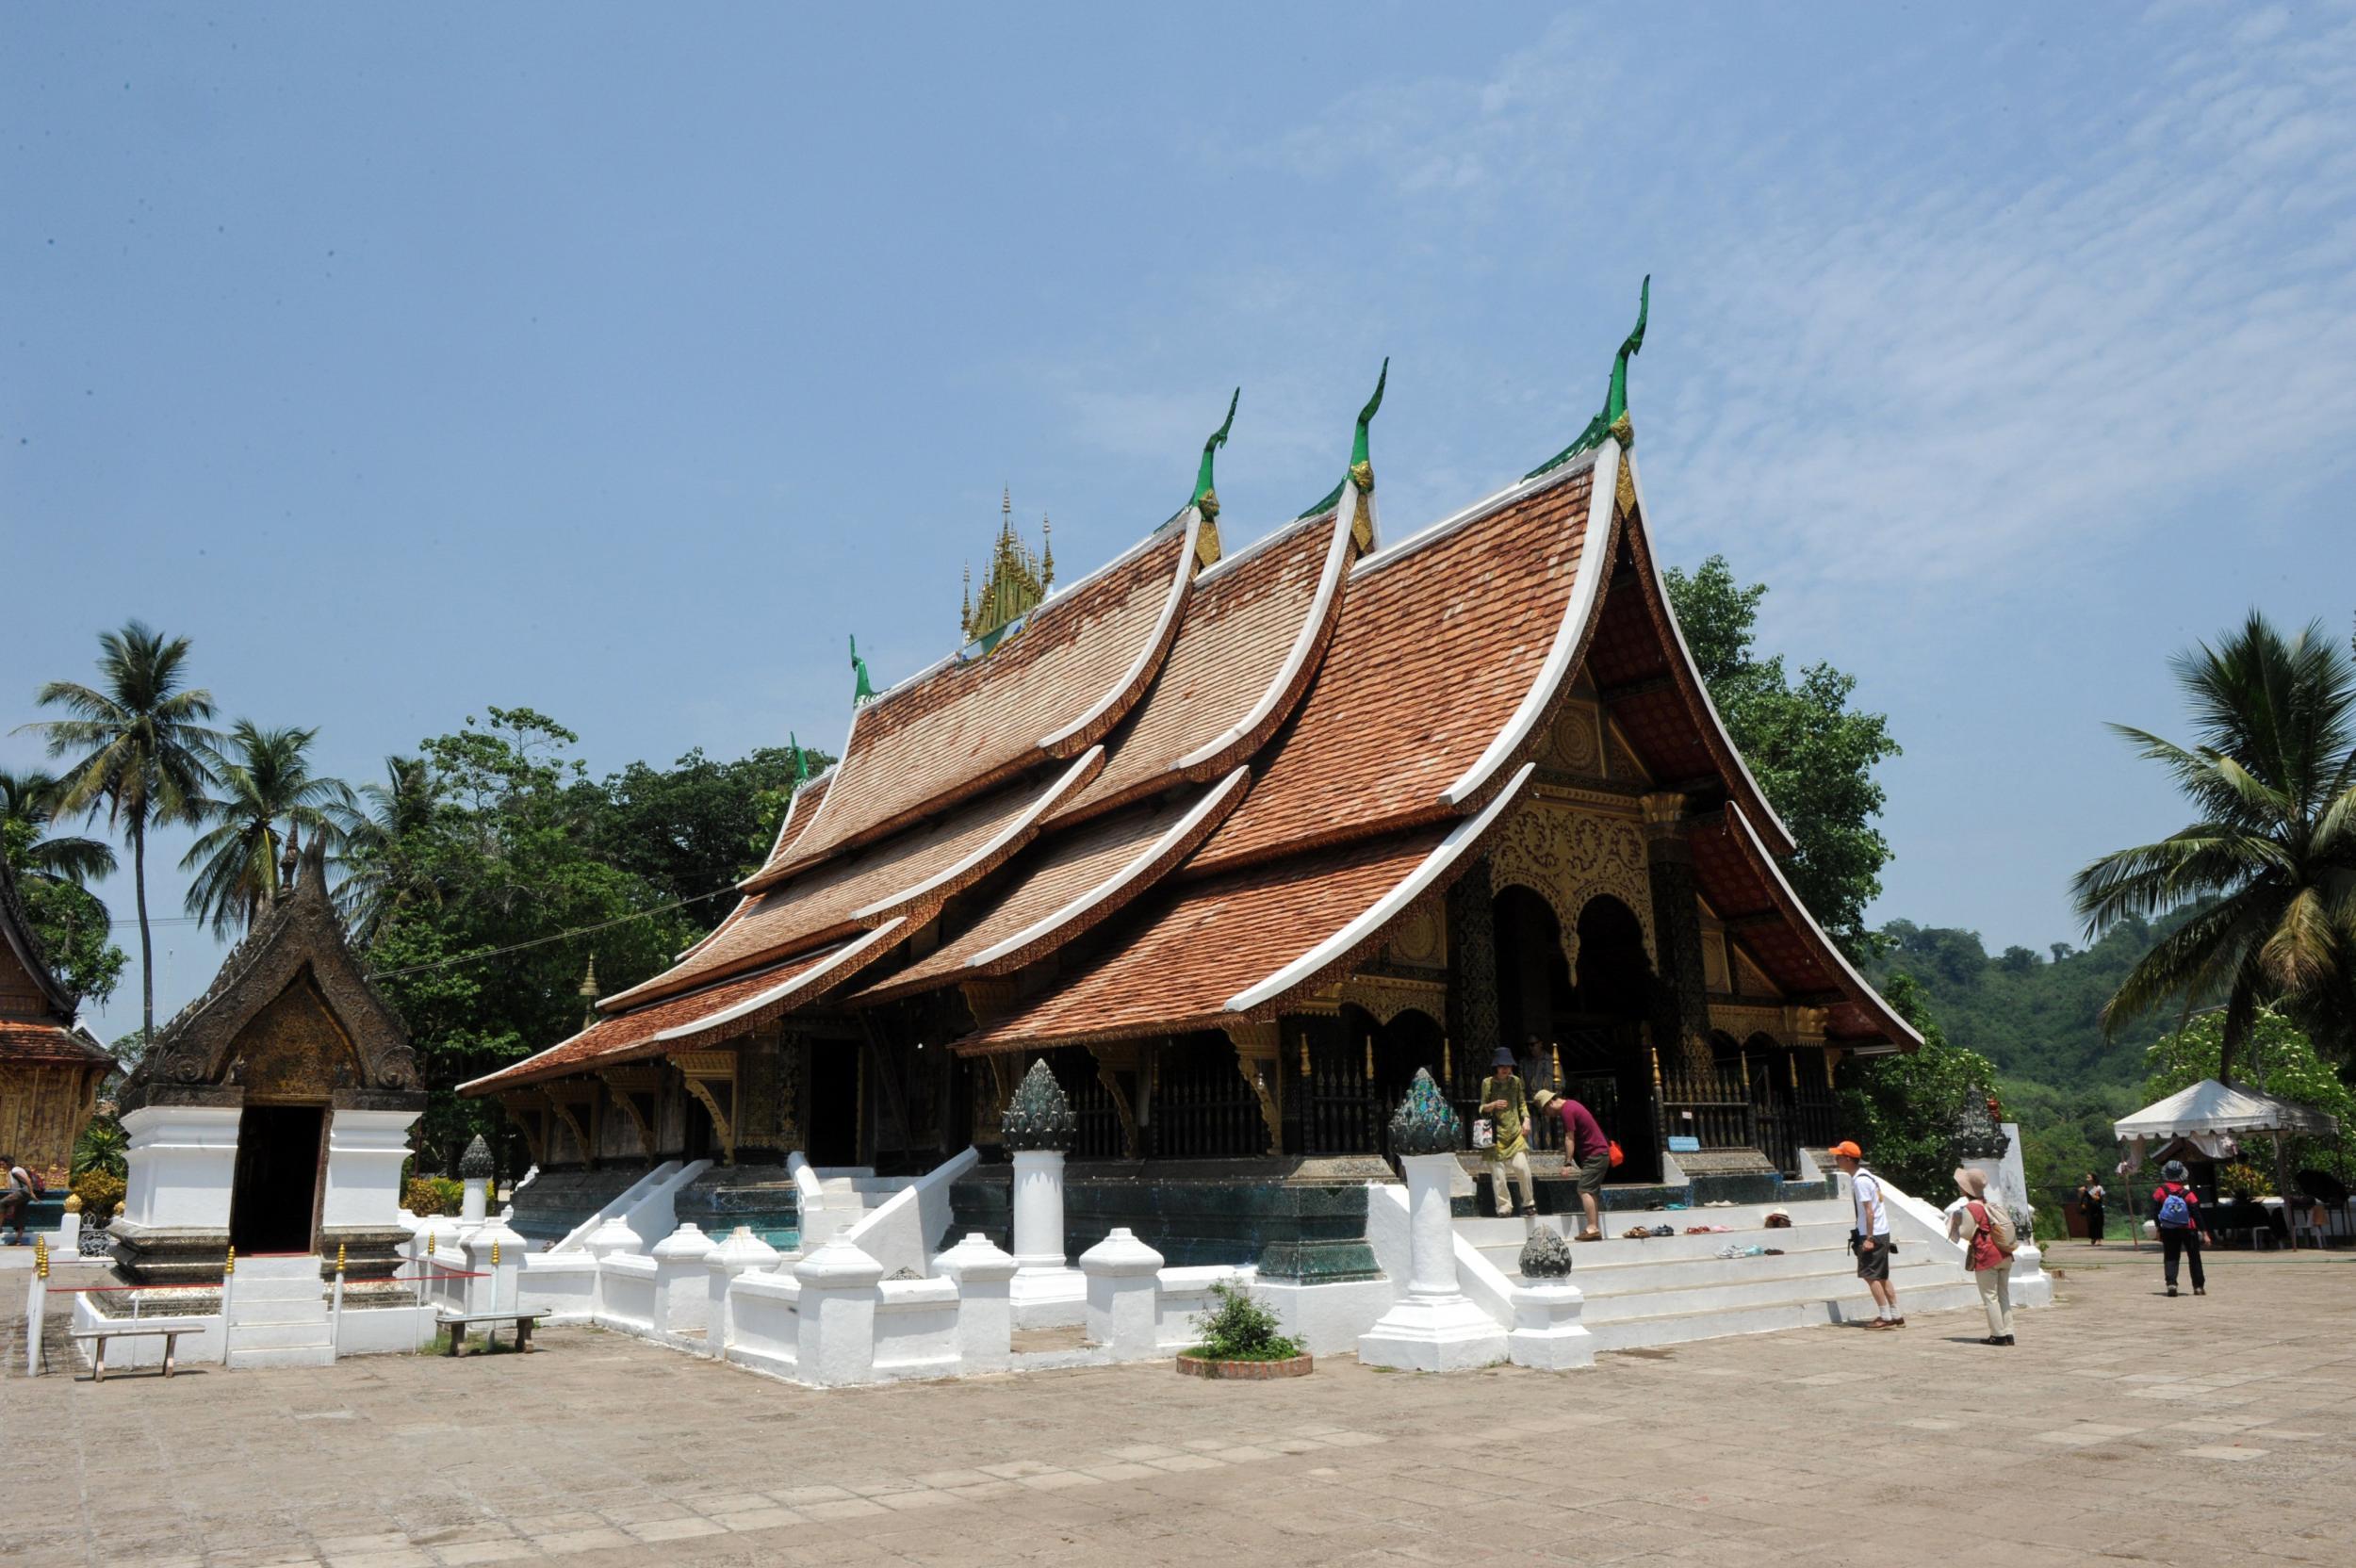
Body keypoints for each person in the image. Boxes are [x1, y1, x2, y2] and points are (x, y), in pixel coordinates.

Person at [1830, 1140, 1902, 1328]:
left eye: (1838, 1157)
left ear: (1847, 1159)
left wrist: (1869, 1238)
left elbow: (1869, 1211)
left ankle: (1885, 1316)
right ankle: (1896, 1314)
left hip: (1872, 1234)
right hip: (1881, 1232)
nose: (1836, 1160)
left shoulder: (1860, 1181)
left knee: (1870, 1276)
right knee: (1882, 1276)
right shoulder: (1867, 1176)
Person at [1531, 1087, 1609, 1240]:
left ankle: (1592, 1228)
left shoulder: (1567, 1111)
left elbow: (1569, 1138)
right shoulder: (1572, 1105)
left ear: (1549, 1104)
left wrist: (1567, 1163)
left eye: (1545, 1112)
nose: (1548, 1115)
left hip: (1595, 1154)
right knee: (1590, 1191)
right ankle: (1594, 1227)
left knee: (1584, 1189)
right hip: (1598, 1153)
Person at [1948, 1168, 2014, 1346]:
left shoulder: (1971, 1208)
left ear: (1966, 1189)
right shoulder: (1989, 1204)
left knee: (1990, 1297)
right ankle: (2008, 1333)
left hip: (1987, 1255)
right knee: (2003, 1295)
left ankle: (1997, 1335)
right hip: (2005, 1253)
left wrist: (1956, 1220)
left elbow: (1966, 1233)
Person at [1478, 1047, 1536, 1217]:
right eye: (1502, 1065)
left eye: (1509, 1066)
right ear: (1496, 1066)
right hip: (1495, 1135)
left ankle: (1528, 1204)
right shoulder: (1487, 1083)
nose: (1506, 1069)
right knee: (1498, 1175)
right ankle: (1504, 1207)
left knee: (1522, 1167)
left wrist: (1526, 1118)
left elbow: (1522, 1103)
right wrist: (1492, 1105)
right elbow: (1482, 1108)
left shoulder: (1516, 1082)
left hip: (1515, 1133)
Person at [2151, 1159, 2207, 1298]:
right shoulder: (2188, 1194)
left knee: (2171, 1256)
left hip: (2169, 1229)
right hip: (2189, 1228)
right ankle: (2198, 1286)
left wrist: (2159, 1229)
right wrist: (2205, 1232)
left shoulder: (2160, 1191)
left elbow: (2154, 1212)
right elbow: (2196, 1214)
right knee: (2194, 1257)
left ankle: (2171, 1284)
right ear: (2182, 1175)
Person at [0, 1155, 30, 1247]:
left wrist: (32, 1193)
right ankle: (18, 1240)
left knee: (1, 1203)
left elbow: (27, 1181)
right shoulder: (13, 1171)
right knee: (20, 1215)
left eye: (2, 1164)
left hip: (23, 1193)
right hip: (23, 1195)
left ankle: (0, 1226)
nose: (1, 1166)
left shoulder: (15, 1170)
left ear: (8, 1163)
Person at [2076, 1173, 2107, 1246]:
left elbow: (2102, 1197)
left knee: (2099, 1223)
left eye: (2088, 1177)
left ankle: (2099, 1239)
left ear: (2093, 1178)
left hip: (2098, 1207)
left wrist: (2096, 1197)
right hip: (2090, 1208)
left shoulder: (2099, 1187)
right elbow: (2079, 1191)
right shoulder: (2087, 1187)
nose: (2087, 1178)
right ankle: (2093, 1238)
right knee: (2091, 1223)